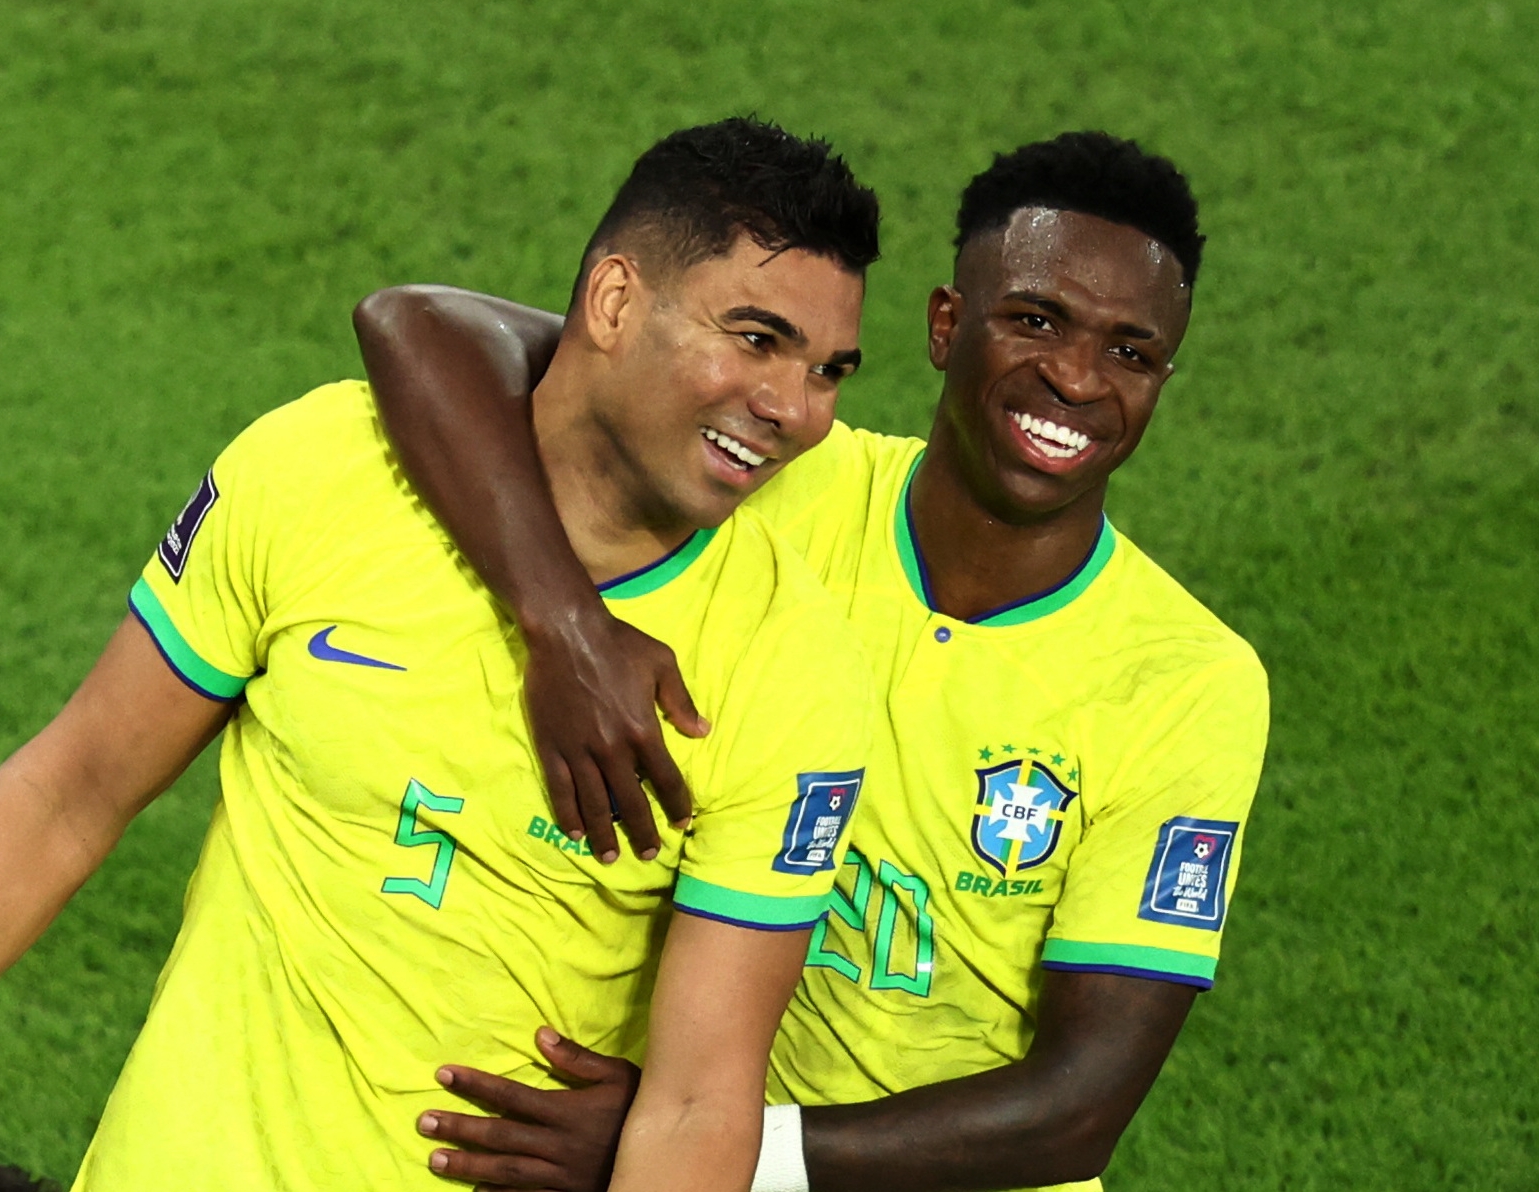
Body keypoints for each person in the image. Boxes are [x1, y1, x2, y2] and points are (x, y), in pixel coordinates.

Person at [0, 118, 882, 1192]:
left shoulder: (788, 669)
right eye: (756, 338)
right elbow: (69, 792)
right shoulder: (319, 471)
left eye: (828, 371)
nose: (793, 409)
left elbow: (695, 1102)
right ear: (616, 301)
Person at [352, 131, 1270, 1192]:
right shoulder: (780, 466)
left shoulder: (1185, 679)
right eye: (1034, 320)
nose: (1073, 377)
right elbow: (418, 324)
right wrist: (563, 623)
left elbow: (1075, 1108)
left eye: (1129, 353)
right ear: (942, 324)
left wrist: (716, 1152)